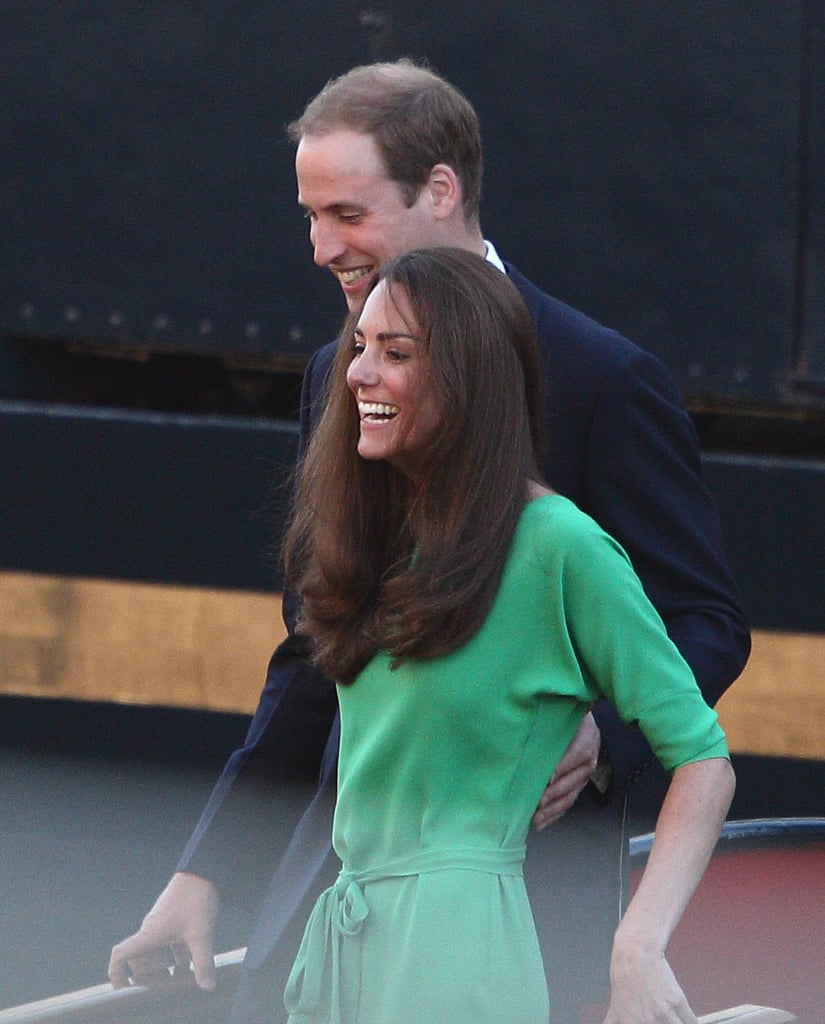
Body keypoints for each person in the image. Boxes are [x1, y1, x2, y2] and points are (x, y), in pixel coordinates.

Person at [109, 60, 750, 1023]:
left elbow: (701, 620)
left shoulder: (606, 378)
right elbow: (315, 648)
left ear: (440, 190)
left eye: (348, 213)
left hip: (513, 896)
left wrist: (599, 736)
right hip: (337, 891)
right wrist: (208, 870)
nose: (322, 246)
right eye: (309, 215)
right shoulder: (338, 372)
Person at [279, 245, 736, 1024]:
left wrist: (638, 945)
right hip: (347, 943)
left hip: (458, 954)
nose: (356, 373)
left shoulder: (559, 544)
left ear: (468, 378)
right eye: (361, 346)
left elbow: (702, 758)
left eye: (395, 353)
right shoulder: (384, 531)